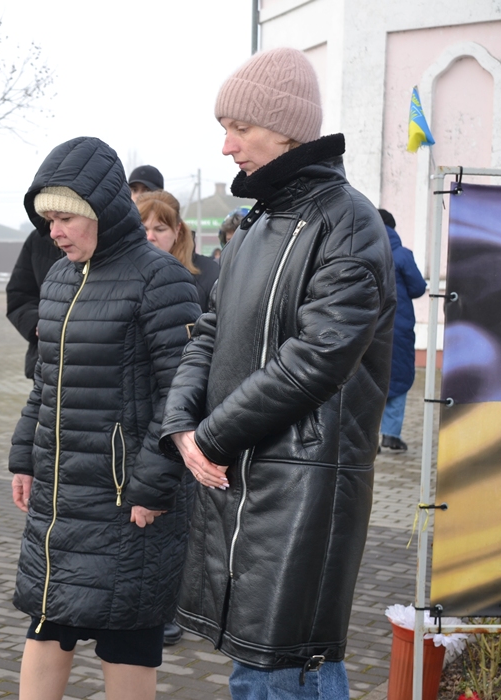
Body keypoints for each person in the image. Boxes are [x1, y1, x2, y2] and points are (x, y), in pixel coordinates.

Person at [159, 47, 395, 699]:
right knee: (258, 663)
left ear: (288, 130)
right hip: (242, 475)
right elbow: (209, 329)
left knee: (286, 663)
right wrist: (181, 424)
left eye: (240, 127)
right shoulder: (253, 227)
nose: (227, 145)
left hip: (303, 486)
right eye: (223, 128)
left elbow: (318, 357)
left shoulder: (348, 223)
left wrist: (211, 436)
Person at [9, 137, 200, 700]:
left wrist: (154, 484)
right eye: (48, 221)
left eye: (65, 218)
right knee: (48, 620)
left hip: (128, 498)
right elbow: (46, 381)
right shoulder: (59, 279)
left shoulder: (160, 278)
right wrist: (24, 457)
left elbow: (182, 392)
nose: (55, 232)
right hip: (62, 495)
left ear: (102, 209)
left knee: (128, 633)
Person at [378, 208, 426, 452]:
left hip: (368, 325)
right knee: (399, 374)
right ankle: (391, 435)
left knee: (370, 379)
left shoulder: (362, 252)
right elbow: (418, 288)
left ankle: (368, 438)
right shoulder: (402, 255)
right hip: (399, 325)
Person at [138, 190, 220, 312]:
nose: (150, 237)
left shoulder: (210, 275)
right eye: (143, 229)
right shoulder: (119, 272)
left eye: (160, 229)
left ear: (177, 229)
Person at [5, 226, 64, 379]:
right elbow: (19, 295)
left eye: (66, 218)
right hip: (45, 365)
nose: (54, 232)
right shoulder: (38, 239)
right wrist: (37, 324)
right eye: (51, 220)